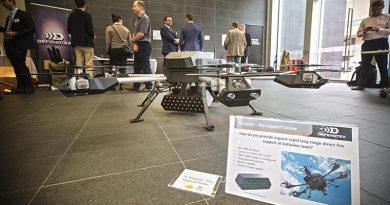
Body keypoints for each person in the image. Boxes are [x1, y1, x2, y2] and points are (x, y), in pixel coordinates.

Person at [352, 0, 390, 90]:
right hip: (367, 43)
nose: (377, 11)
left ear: (382, 8)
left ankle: (384, 85)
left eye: (379, 9)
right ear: (372, 9)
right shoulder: (366, 20)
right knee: (364, 64)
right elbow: (358, 34)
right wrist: (365, 31)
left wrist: (379, 29)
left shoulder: (387, 17)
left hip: (381, 42)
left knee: (382, 64)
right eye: (375, 9)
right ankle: (361, 84)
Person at [0, 0, 36, 94]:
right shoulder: (8, 17)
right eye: (2, 3)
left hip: (20, 45)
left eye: (5, 2)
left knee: (21, 66)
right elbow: (7, 31)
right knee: (16, 67)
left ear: (11, 1)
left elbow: (32, 29)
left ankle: (28, 86)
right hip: (9, 46)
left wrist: (16, 33)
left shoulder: (23, 15)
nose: (4, 5)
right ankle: (20, 86)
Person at [67, 0, 95, 76]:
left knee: (79, 63)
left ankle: (78, 80)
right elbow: (90, 30)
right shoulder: (87, 15)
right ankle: (89, 81)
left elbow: (69, 30)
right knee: (88, 63)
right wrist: (93, 36)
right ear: (85, 5)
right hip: (87, 43)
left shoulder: (71, 16)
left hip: (76, 43)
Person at [131, 0, 153, 92]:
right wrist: (134, 43)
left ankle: (149, 86)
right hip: (138, 44)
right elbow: (136, 33)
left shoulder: (145, 18)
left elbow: (141, 34)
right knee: (137, 66)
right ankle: (136, 85)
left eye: (134, 6)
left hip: (144, 44)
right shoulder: (138, 19)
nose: (132, 8)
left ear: (140, 7)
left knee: (145, 66)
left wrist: (132, 41)